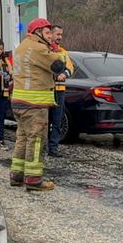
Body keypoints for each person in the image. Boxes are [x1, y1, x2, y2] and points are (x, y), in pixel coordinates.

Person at [10, 18, 67, 191]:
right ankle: (34, 180)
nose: (50, 36)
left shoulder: (21, 47)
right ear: (37, 32)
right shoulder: (39, 48)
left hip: (19, 101)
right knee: (36, 141)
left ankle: (16, 176)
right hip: (35, 104)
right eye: (47, 32)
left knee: (22, 139)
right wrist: (58, 52)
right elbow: (58, 65)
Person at [47, 25, 75, 157]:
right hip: (46, 90)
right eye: (58, 34)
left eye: (61, 35)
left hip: (59, 90)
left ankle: (53, 148)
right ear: (50, 34)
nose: (60, 37)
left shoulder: (63, 52)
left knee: (57, 121)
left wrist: (65, 74)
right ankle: (42, 147)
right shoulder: (45, 50)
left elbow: (70, 67)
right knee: (44, 120)